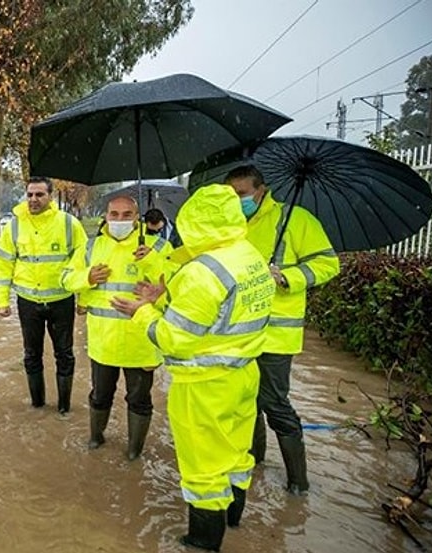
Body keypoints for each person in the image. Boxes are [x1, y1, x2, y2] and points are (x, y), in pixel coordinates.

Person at [112, 184, 275, 551]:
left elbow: (173, 338)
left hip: (204, 386)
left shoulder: (202, 272)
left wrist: (143, 312)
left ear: (194, 222)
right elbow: (220, 317)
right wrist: (163, 298)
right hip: (243, 375)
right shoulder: (248, 255)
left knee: (203, 471)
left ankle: (202, 542)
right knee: (236, 456)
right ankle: (234, 523)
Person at [225, 165, 340, 496]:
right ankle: (254, 464)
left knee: (274, 403)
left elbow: (328, 264)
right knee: (246, 401)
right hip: (237, 332)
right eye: (231, 195)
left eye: (242, 194)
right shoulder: (231, 224)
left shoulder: (296, 219)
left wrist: (287, 276)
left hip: (276, 334)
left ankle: (297, 483)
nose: (237, 201)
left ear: (261, 190)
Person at [61, 195, 172, 458]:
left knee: (140, 400)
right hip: (103, 341)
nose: (119, 220)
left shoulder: (159, 247)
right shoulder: (91, 247)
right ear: (105, 217)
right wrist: (87, 277)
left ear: (137, 218)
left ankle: (134, 451)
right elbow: (65, 278)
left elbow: (175, 289)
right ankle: (96, 438)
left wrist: (152, 261)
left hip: (141, 342)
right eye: (114, 214)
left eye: (126, 215)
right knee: (100, 395)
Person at [0, 176, 88, 414]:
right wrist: (1, 300)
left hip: (61, 302)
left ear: (50, 196)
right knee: (31, 355)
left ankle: (64, 408)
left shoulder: (68, 224)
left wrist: (83, 299)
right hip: (28, 303)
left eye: (39, 194)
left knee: (64, 355)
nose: (33, 199)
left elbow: (83, 262)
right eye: (30, 195)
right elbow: (3, 263)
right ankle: (38, 405)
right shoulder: (14, 226)